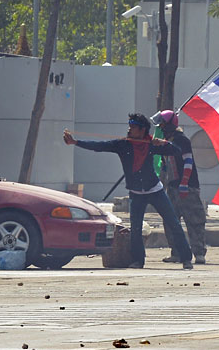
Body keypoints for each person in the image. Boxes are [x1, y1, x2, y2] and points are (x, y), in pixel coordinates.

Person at [63, 113, 193, 270]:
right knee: (135, 229)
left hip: (155, 190)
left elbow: (177, 151)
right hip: (136, 193)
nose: (129, 130)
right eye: (129, 127)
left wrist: (164, 143)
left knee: (173, 224)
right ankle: (138, 261)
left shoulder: (151, 144)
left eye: (133, 127)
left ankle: (186, 259)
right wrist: (75, 142)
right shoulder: (122, 144)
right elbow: (99, 146)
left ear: (142, 130)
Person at [151, 110, 207, 264]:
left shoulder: (182, 141)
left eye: (162, 124)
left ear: (169, 125)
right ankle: (176, 253)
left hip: (188, 188)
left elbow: (188, 162)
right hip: (172, 188)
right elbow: (164, 166)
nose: (160, 128)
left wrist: (184, 183)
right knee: (171, 221)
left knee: (194, 221)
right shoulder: (165, 142)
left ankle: (199, 253)